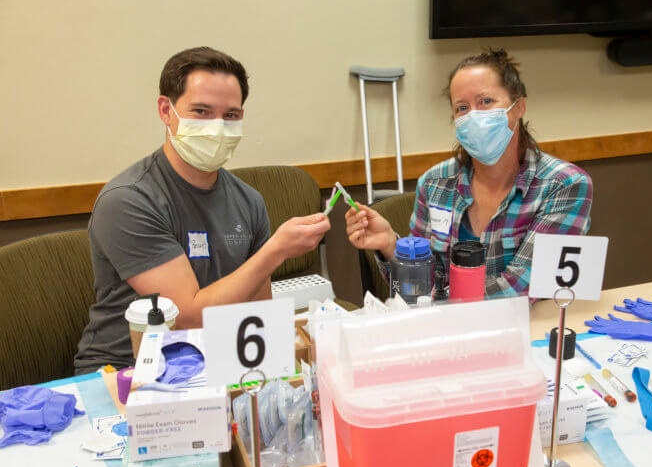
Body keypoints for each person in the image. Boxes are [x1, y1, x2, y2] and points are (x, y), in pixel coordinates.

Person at [74, 47, 330, 374]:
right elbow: (184, 318)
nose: (217, 127)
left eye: (231, 116)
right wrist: (276, 250)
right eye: (201, 111)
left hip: (217, 363)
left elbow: (258, 313)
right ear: (166, 110)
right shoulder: (129, 200)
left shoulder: (248, 200)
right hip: (129, 371)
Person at [345, 48, 592, 298]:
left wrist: (442, 301)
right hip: (450, 326)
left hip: (527, 328)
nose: (474, 115)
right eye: (462, 108)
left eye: (486, 101)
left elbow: (524, 285)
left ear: (519, 107)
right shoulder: (434, 184)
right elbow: (422, 284)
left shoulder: (564, 184)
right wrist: (389, 244)